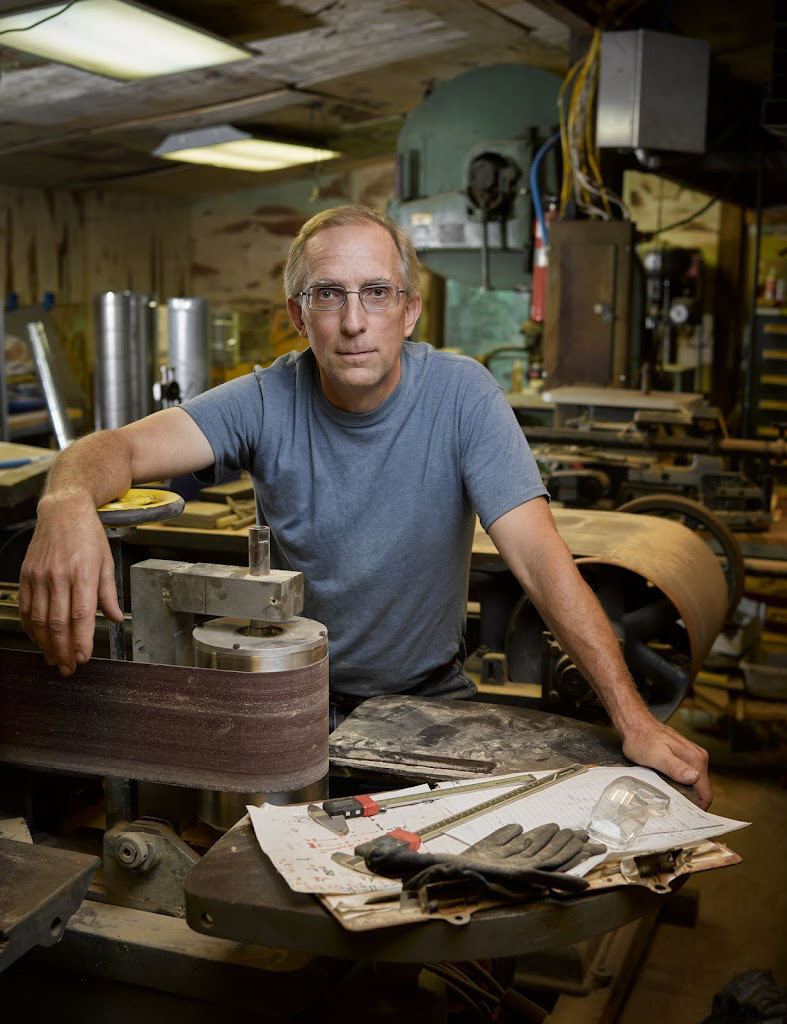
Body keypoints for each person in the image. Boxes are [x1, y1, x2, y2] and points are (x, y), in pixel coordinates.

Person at [18, 204, 712, 808]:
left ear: (409, 310)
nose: (353, 322)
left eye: (376, 293)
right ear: (297, 315)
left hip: (428, 700)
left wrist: (632, 717)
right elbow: (118, 449)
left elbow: (540, 561)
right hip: (293, 695)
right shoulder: (265, 398)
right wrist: (67, 500)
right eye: (328, 295)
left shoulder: (461, 397)